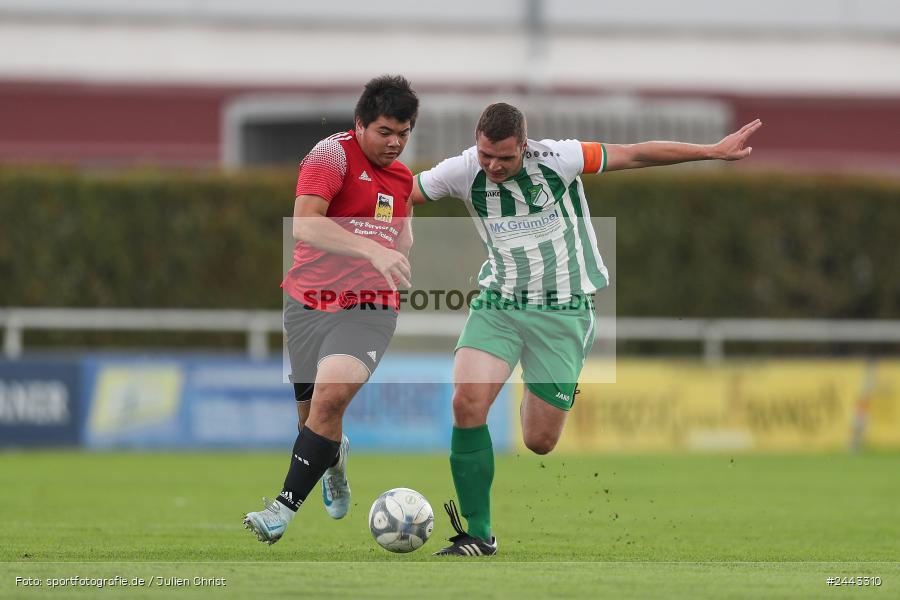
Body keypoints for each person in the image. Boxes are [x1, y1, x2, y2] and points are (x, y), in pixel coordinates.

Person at [408, 102, 762, 556]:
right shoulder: (462, 170)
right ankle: (478, 534)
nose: (494, 166)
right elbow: (402, 192)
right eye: (486, 155)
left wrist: (710, 151)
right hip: (499, 304)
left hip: (564, 312)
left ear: (525, 146)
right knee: (466, 401)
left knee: (539, 441)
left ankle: (550, 381)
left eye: (505, 158)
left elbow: (635, 154)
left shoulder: (559, 159)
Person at [243, 75, 419, 545]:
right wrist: (372, 248)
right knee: (311, 425)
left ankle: (280, 510)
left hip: (370, 307)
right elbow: (305, 225)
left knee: (329, 401)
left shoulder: (402, 177)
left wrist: (396, 253)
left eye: (404, 133)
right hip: (307, 304)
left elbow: (400, 233)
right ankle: (334, 459)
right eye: (385, 131)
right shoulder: (331, 155)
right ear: (360, 124)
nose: (395, 143)